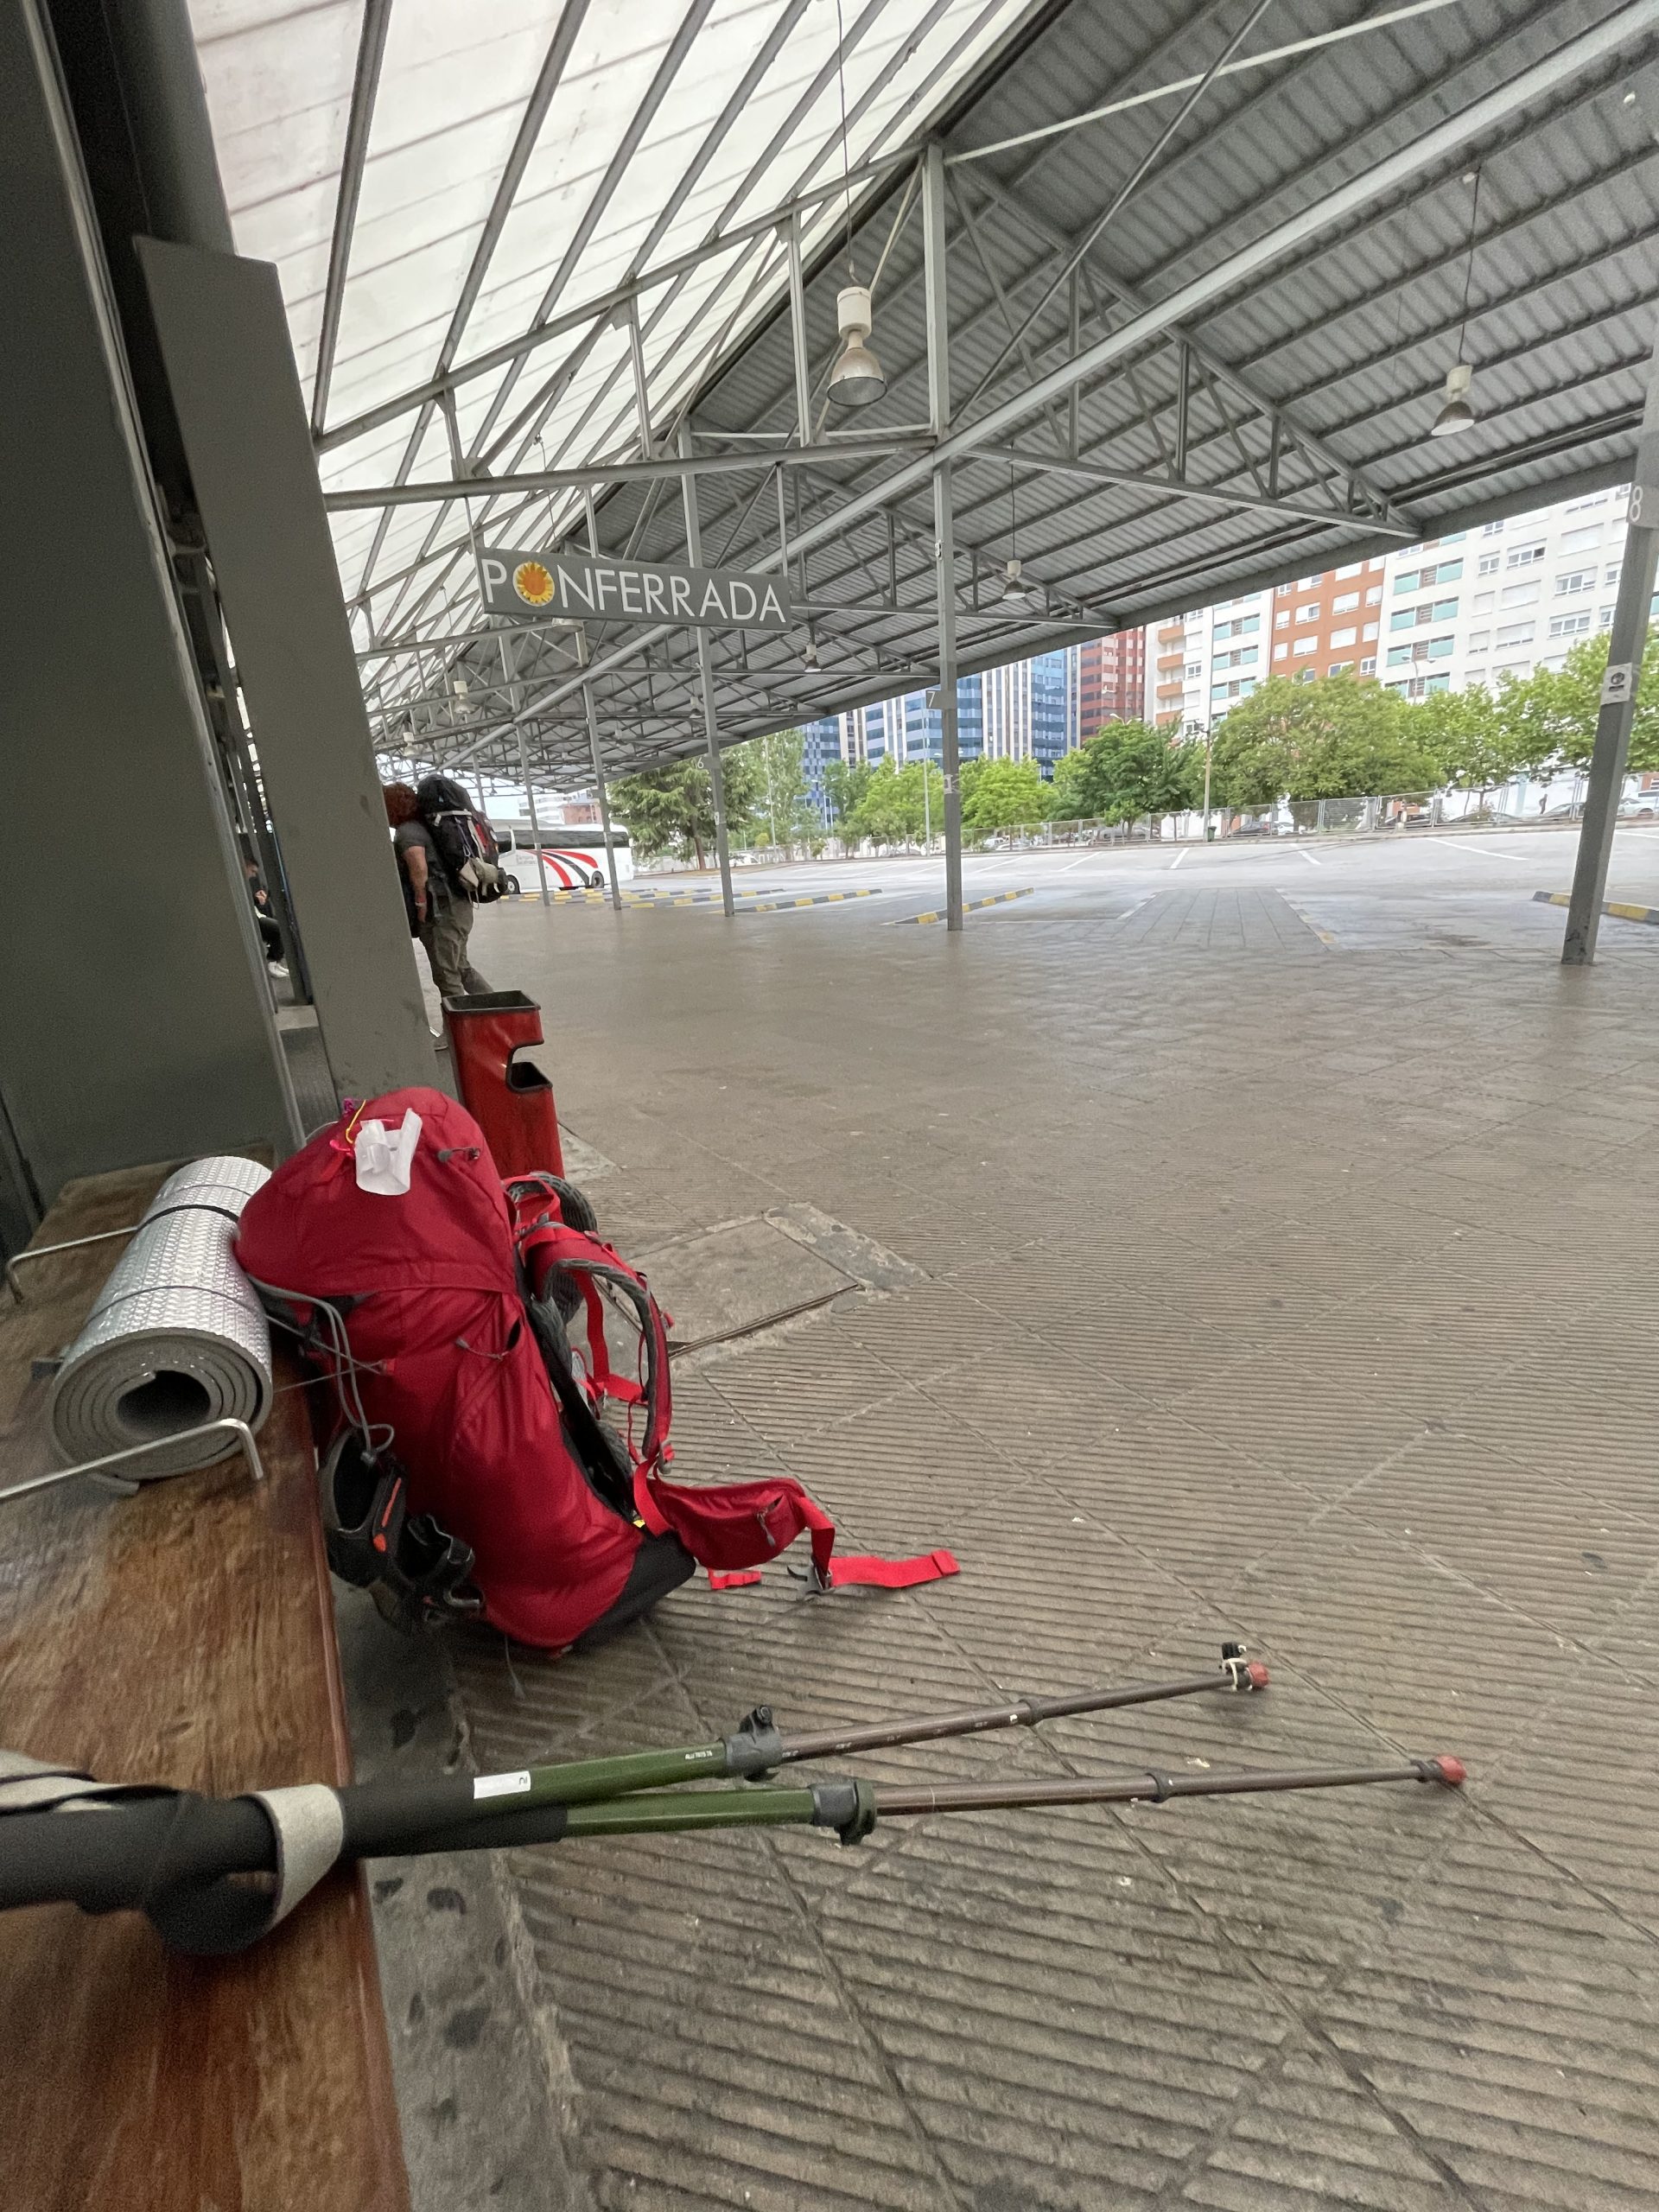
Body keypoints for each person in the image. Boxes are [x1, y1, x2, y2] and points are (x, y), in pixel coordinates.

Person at [383, 783, 491, 999]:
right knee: (461, 969)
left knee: (447, 977)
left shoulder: (407, 832)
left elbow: (419, 870)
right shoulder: (427, 827)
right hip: (459, 908)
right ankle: (496, 1015)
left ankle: (462, 1030)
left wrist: (421, 907)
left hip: (442, 913)